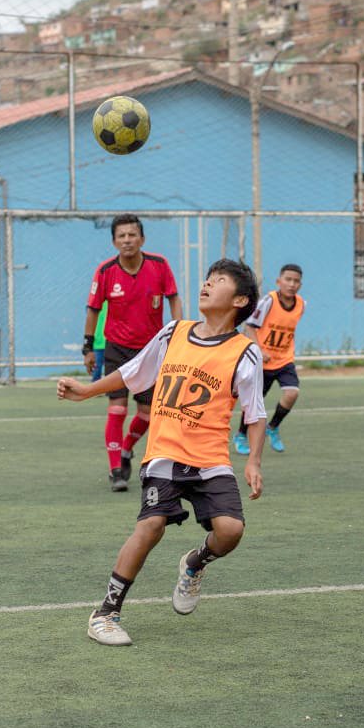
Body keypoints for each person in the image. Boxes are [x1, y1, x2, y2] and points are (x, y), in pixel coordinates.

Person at [59, 259, 266, 646]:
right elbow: (134, 371)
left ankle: (195, 562)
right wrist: (87, 390)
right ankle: (105, 613)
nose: (206, 285)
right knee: (150, 526)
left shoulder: (245, 353)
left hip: (210, 459)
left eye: (218, 282)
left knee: (231, 531)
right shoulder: (175, 332)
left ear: (239, 300)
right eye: (206, 279)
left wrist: (253, 460)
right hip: (165, 454)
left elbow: (254, 413)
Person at [81, 214, 182, 492]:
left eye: (132, 235)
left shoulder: (159, 265)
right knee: (117, 408)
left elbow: (174, 298)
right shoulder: (105, 271)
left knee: (148, 414)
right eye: (121, 236)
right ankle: (116, 469)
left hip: (151, 350)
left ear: (142, 239)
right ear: (114, 241)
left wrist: (178, 333)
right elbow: (93, 310)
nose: (127, 240)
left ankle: (127, 449)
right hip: (116, 349)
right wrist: (88, 347)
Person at [235, 263, 305, 454]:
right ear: (279, 281)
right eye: (288, 279)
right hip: (263, 361)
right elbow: (250, 326)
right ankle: (241, 434)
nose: (291, 284)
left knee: (292, 393)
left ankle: (272, 427)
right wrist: (258, 349)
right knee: (255, 402)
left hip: (284, 360)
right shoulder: (268, 301)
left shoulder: (301, 305)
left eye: (296, 281)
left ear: (300, 284)